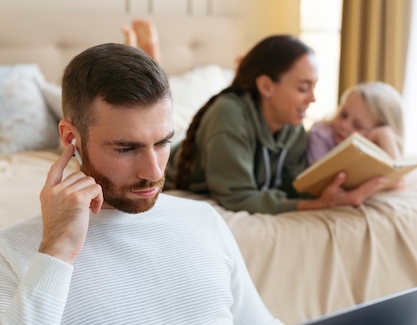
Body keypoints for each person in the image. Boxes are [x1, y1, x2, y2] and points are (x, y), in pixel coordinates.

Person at [2, 42, 417, 325]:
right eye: (126, 148)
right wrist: (57, 252)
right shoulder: (19, 255)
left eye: (163, 142)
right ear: (71, 138)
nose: (152, 170)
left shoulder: (200, 220)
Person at [158, 31, 388, 214]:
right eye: (303, 88)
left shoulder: (294, 127)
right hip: (172, 162)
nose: (313, 98)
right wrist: (317, 206)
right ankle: (152, 58)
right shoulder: (228, 115)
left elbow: (293, 185)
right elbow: (237, 196)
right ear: (266, 86)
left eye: (313, 87)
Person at [307, 82, 404, 165]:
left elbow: (399, 180)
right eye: (343, 115)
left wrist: (385, 136)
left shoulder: (380, 141)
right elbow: (321, 179)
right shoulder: (321, 134)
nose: (343, 125)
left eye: (358, 126)